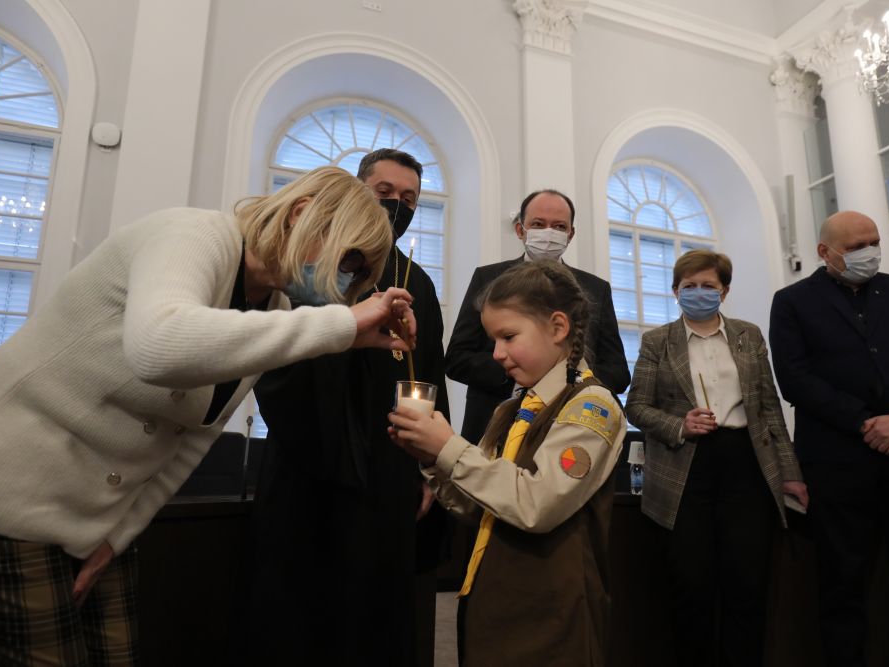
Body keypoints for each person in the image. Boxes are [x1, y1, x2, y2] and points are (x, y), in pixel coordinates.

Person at [0, 165, 416, 665]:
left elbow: (191, 439)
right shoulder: (197, 233)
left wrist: (116, 538)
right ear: (303, 216)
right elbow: (158, 346)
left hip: (89, 520)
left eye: (357, 271)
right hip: (1, 487)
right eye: (348, 259)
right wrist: (343, 324)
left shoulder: (276, 310)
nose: (345, 279)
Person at [245, 149, 448, 666]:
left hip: (386, 468)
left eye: (409, 200)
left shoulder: (417, 282)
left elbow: (422, 376)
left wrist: (426, 466)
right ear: (357, 191)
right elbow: (274, 356)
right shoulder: (309, 260)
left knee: (376, 617)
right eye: (384, 196)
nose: (396, 207)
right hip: (305, 459)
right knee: (297, 610)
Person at [390, 260, 625, 666]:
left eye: (508, 337)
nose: (496, 354)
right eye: (491, 340)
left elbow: (536, 504)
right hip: (493, 602)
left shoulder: (591, 406)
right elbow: (477, 505)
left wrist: (449, 447)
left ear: (557, 327)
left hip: (551, 618)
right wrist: (433, 459)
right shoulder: (513, 407)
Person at [769, 210, 889, 667]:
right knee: (841, 590)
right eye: (855, 247)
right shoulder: (792, 301)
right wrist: (868, 424)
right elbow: (795, 379)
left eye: (873, 242)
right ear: (824, 252)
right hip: (838, 469)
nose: (868, 252)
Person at [625, 249, 807, 667]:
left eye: (708, 286)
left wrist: (791, 473)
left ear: (724, 291)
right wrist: (679, 424)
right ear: (675, 291)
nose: (699, 293)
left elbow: (768, 408)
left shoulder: (748, 335)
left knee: (748, 585)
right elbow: (635, 406)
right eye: (689, 286)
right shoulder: (657, 341)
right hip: (684, 468)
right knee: (692, 586)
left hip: (746, 466)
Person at [446, 189, 630, 444]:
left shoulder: (595, 288)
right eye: (538, 224)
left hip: (570, 426)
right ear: (521, 230)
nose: (548, 233)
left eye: (558, 226)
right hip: (491, 424)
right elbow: (457, 358)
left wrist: (566, 383)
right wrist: (520, 371)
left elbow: (618, 371)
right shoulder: (487, 278)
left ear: (571, 234)